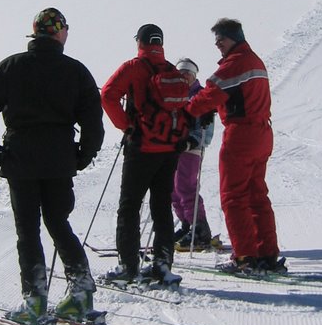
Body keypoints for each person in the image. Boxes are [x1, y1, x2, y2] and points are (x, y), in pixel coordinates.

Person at [0, 7, 104, 325]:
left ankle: (35, 302)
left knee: (27, 230)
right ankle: (81, 295)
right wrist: (84, 154)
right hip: (59, 158)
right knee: (58, 223)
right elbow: (92, 122)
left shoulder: (11, 67)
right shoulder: (76, 71)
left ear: (36, 33)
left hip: (21, 158)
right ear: (58, 32)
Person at [186, 18, 284, 274]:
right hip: (262, 132)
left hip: (242, 135)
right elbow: (237, 95)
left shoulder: (235, 63)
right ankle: (267, 253)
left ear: (235, 38)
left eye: (222, 39)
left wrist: (188, 110)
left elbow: (211, 93)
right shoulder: (255, 61)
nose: (218, 45)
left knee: (234, 196)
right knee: (256, 195)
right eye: (216, 40)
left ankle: (245, 257)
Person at [100, 23, 186, 285]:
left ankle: (128, 266)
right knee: (161, 207)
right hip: (170, 149)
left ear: (140, 42)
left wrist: (127, 126)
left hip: (142, 148)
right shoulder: (171, 69)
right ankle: (163, 264)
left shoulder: (133, 68)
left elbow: (107, 95)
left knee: (129, 207)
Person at [170, 57, 219, 251]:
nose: (184, 77)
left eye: (187, 74)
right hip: (174, 147)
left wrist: (194, 140)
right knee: (172, 189)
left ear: (194, 76)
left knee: (185, 186)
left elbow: (207, 127)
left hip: (192, 148)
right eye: (181, 74)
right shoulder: (174, 95)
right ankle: (186, 224)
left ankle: (200, 228)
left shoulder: (198, 95)